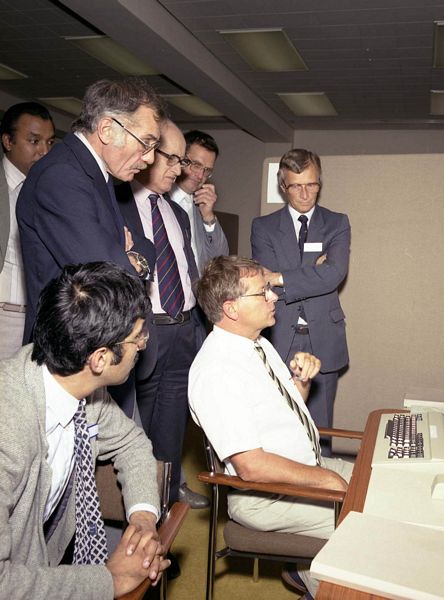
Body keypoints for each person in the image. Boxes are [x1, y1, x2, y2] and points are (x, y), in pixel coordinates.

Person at [0, 262, 169, 599]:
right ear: (99, 359)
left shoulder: (74, 384)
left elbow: (131, 443)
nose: (142, 345)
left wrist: (142, 518)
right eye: (136, 339)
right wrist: (109, 581)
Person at [189, 255, 354, 599]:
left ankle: (303, 570)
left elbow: (285, 410)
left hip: (303, 470)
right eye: (262, 292)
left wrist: (301, 381)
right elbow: (251, 466)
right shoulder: (217, 371)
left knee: (380, 488)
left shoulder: (257, 344)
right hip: (265, 497)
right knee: (367, 524)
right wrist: (325, 480)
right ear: (231, 309)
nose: (274, 297)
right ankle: (321, 585)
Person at [16, 78, 163, 416]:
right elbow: (112, 283)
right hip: (72, 362)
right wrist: (123, 260)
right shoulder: (63, 176)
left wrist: (130, 258)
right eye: (146, 143)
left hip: (103, 357)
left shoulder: (98, 176)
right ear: (108, 129)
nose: (150, 158)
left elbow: (144, 249)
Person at [116, 120, 208, 508]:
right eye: (172, 158)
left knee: (172, 425)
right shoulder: (117, 205)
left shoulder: (175, 211)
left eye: (181, 160)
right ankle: (137, 504)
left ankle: (169, 491)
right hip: (145, 332)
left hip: (184, 329)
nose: (179, 168)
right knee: (136, 428)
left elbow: (186, 271)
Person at [251, 148, 351, 455]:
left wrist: (282, 277)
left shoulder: (337, 223)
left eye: (312, 184)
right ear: (283, 186)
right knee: (278, 428)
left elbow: (334, 274)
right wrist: (313, 272)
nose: (305, 193)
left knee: (321, 433)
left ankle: (324, 497)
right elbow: (265, 278)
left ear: (320, 182)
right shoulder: (263, 227)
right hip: (280, 335)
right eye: (296, 186)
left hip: (324, 337)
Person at [0, 102, 55, 369]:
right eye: (34, 141)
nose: (44, 151)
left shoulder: (54, 194)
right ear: (8, 141)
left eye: (49, 142)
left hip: (37, 322)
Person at [169, 130, 228, 272]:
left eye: (207, 170)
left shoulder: (200, 207)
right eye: (196, 165)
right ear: (181, 159)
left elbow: (220, 259)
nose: (200, 175)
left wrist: (208, 217)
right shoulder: (156, 199)